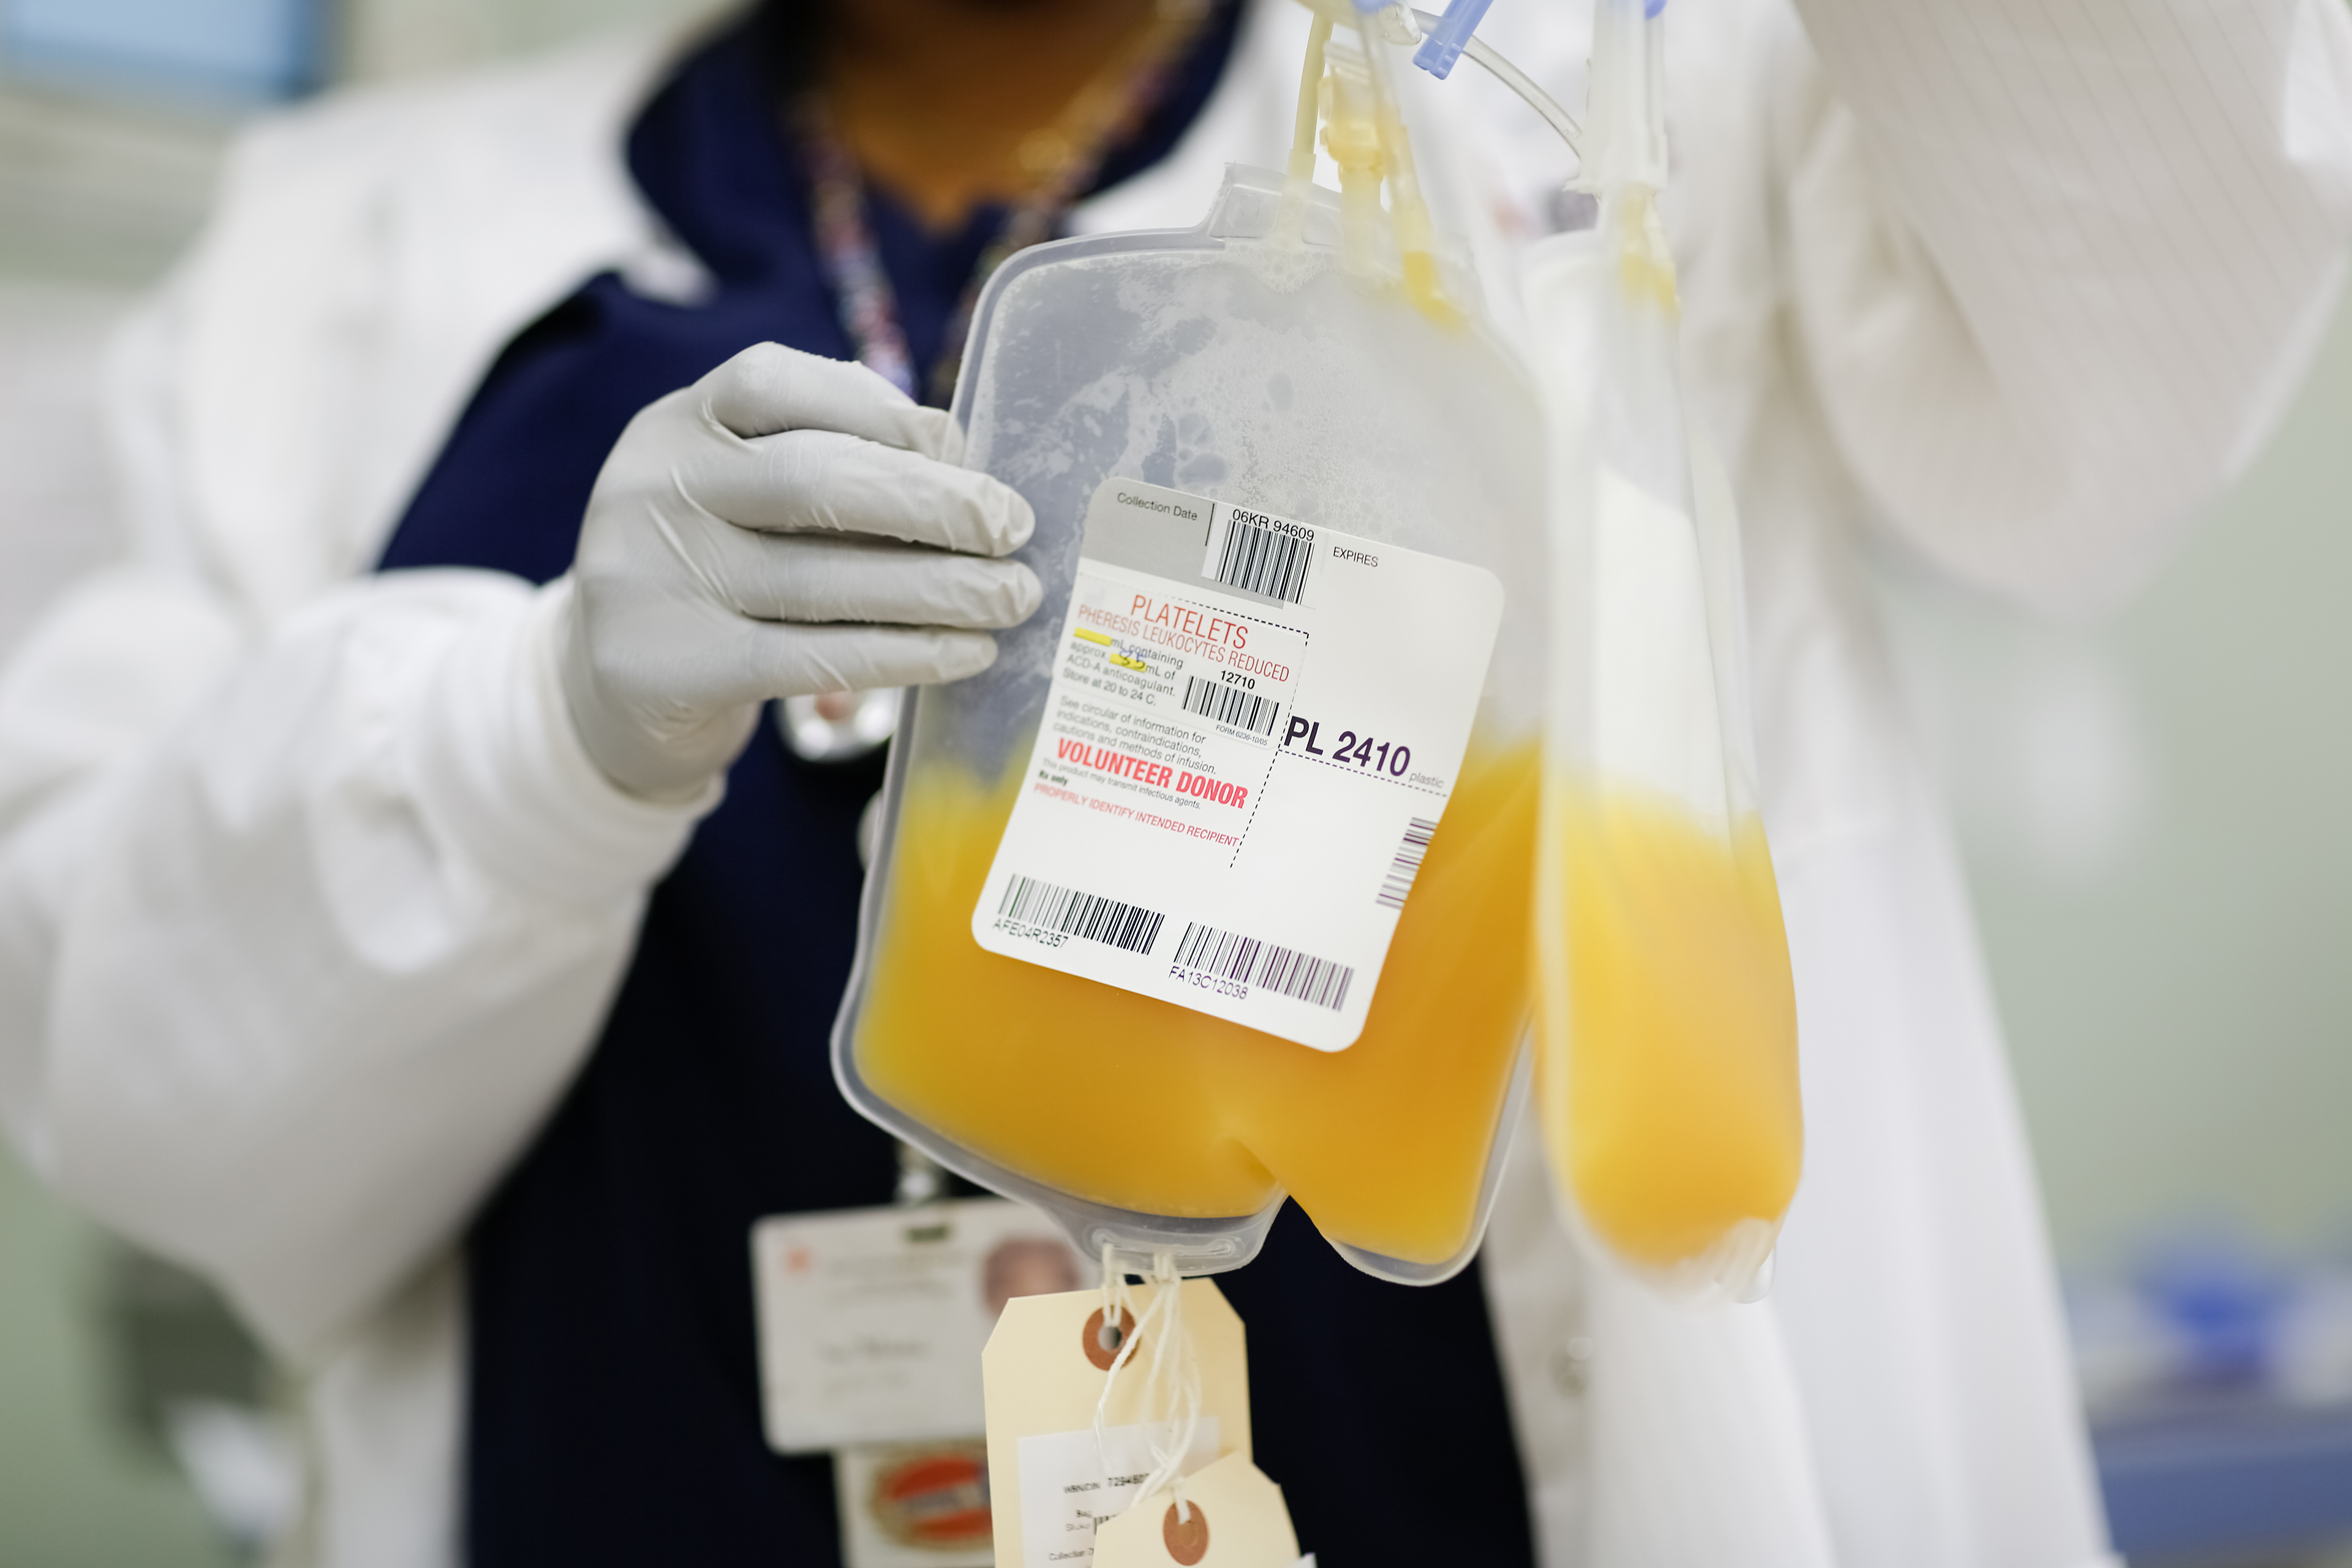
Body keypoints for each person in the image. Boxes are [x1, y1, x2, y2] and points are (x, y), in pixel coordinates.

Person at [0, 0, 2345, 1562]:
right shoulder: (340, 263)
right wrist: (539, 739)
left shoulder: (1614, 104)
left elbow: (2116, 405)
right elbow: (139, 1094)